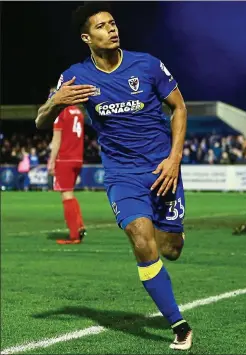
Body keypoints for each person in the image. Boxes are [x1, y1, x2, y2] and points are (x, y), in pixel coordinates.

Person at [35, 2, 191, 350]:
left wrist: (174, 159)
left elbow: (179, 107)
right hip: (122, 175)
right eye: (102, 26)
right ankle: (179, 324)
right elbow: (40, 122)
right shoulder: (76, 76)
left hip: (162, 170)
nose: (112, 29)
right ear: (87, 37)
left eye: (113, 23)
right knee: (140, 237)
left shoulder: (147, 65)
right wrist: (54, 102)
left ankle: (173, 235)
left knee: (172, 249)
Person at [48, 88, 86, 245]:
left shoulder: (60, 114)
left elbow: (57, 141)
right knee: (70, 193)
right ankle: (79, 225)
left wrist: (51, 161)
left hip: (64, 159)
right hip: (77, 158)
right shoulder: (78, 112)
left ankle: (74, 235)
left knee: (66, 195)